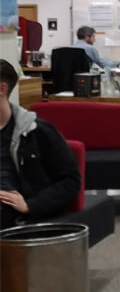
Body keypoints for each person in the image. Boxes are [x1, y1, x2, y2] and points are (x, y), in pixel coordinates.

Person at [0, 59, 81, 229]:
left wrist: (32, 205)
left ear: (2, 89)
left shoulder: (37, 131)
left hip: (12, 209)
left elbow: (71, 180)